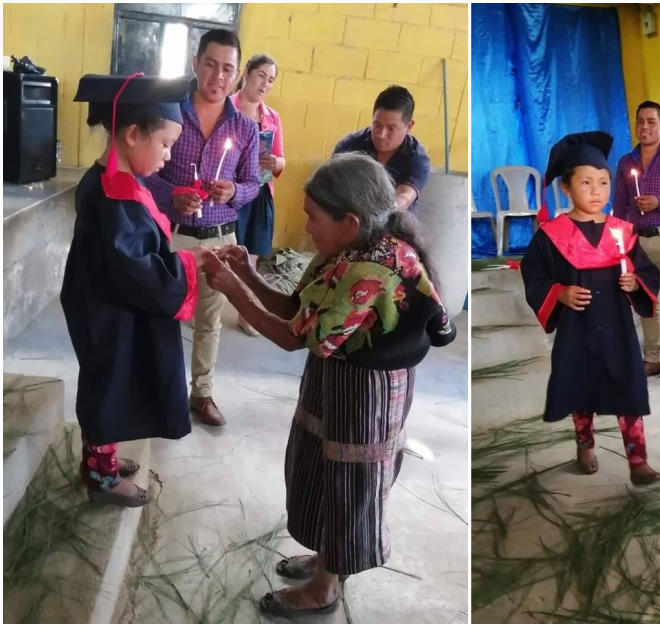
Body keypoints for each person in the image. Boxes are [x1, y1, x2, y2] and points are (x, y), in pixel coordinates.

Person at [201, 152, 457, 617]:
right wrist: (247, 273)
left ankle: (326, 587)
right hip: (337, 374)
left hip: (367, 392)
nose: (307, 227)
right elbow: (295, 309)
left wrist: (232, 290)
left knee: (349, 482)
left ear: (350, 221)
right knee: (323, 467)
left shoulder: (369, 270)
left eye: (313, 217)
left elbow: (292, 338)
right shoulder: (343, 249)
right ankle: (327, 560)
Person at [63, 73, 209, 507]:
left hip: (112, 307)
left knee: (115, 381)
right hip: (108, 313)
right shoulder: (112, 195)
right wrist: (190, 263)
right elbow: (135, 270)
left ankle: (101, 457)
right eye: (164, 143)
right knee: (109, 384)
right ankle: (100, 477)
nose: (168, 155)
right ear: (131, 134)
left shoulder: (119, 181)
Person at [520, 131, 660, 486]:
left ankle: (638, 460)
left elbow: (646, 270)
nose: (597, 191)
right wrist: (559, 292)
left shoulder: (622, 232)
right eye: (586, 182)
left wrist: (635, 282)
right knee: (579, 385)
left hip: (618, 328)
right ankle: (585, 446)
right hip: (577, 328)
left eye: (603, 182)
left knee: (628, 388)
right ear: (566, 188)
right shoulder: (552, 234)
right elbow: (534, 274)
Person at [144, 29, 259, 427]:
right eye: (210, 65)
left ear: (237, 74)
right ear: (195, 63)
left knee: (210, 320)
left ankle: (202, 393)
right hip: (172, 234)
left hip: (219, 238)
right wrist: (171, 195)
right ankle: (160, 390)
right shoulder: (169, 113)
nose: (218, 76)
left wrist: (234, 192)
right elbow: (144, 173)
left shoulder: (244, 129)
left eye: (227, 68)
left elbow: (253, 183)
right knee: (163, 314)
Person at [612, 100, 660, 380]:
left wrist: (659, 202)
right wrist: (620, 240)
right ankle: (652, 358)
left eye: (651, 121)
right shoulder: (626, 162)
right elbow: (619, 204)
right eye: (640, 121)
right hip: (636, 241)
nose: (645, 127)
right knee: (646, 300)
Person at [230, 52, 286, 336]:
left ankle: (246, 314)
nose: (265, 84)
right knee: (220, 251)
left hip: (259, 192)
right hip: (229, 191)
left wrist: (276, 163)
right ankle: (205, 309)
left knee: (250, 256)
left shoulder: (272, 118)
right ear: (247, 73)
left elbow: (281, 159)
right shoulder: (225, 108)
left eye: (271, 80)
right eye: (261, 75)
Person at [332, 85, 430, 212]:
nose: (381, 135)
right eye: (377, 125)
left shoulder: (417, 158)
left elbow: (404, 197)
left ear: (409, 126)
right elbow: (332, 185)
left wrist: (380, 213)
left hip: (394, 219)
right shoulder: (350, 146)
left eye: (391, 128)